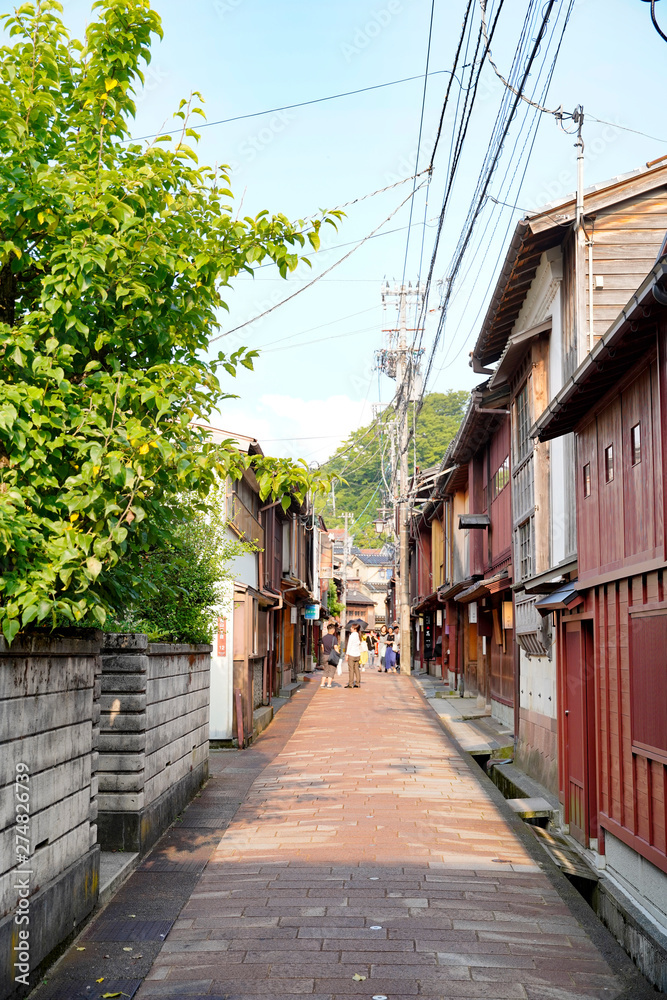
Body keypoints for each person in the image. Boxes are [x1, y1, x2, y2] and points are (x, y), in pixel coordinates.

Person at [318, 623, 339, 689]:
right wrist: (338, 654)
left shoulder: (323, 638)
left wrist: (324, 653)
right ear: (333, 630)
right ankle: (329, 684)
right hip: (332, 656)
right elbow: (335, 647)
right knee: (332, 670)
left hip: (325, 655)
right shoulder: (334, 638)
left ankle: (322, 684)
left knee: (326, 670)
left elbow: (322, 647)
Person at [345, 623, 362, 688]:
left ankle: (350, 684)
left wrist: (347, 654)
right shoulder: (358, 635)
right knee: (357, 669)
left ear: (354, 629)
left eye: (351, 628)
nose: (350, 628)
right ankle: (357, 683)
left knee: (351, 669)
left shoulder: (352, 635)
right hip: (357, 655)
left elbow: (349, 645)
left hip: (352, 654)